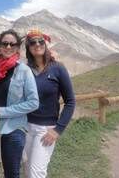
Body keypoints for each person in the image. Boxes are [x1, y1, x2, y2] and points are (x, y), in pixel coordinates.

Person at [0, 29, 39, 178]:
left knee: (12, 174)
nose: (8, 47)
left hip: (13, 130)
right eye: (4, 43)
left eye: (12, 44)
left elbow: (33, 102)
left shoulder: (24, 71)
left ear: (18, 47)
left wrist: (0, 111)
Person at [24, 30, 76, 178]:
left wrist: (58, 129)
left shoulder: (58, 68)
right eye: (32, 42)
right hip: (26, 126)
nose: (37, 44)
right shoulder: (25, 70)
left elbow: (70, 101)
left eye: (40, 41)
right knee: (27, 170)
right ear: (28, 47)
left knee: (36, 173)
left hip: (46, 129)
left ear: (45, 44)